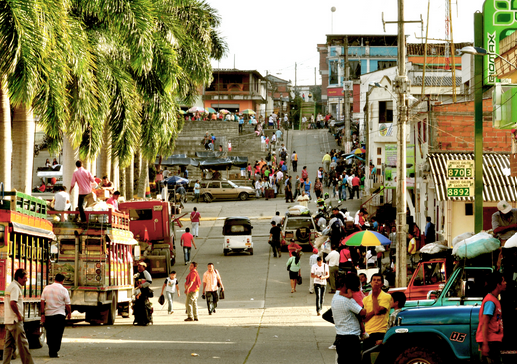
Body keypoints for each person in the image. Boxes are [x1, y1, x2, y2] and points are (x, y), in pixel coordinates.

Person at [331, 274, 366, 364]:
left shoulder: (336, 297)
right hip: (350, 339)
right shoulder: (347, 300)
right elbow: (362, 312)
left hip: (340, 337)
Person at [3, 269, 35, 364]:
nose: (26, 280)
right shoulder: (15, 288)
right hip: (15, 321)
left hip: (9, 320)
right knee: (23, 344)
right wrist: (19, 315)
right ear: (19, 278)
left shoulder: (11, 286)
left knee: (8, 345)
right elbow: (13, 303)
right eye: (25, 278)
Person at [476, 272, 506, 363]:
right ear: (498, 284)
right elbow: (485, 323)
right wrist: (485, 344)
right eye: (503, 281)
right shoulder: (490, 302)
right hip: (490, 341)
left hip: (492, 341)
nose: (505, 283)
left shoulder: (493, 300)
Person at [41, 273, 72, 358]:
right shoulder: (64, 290)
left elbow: (42, 301)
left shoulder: (46, 288)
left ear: (55, 279)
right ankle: (54, 351)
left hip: (48, 315)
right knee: (58, 334)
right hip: (60, 315)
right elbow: (67, 304)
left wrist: (42, 314)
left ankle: (51, 350)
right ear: (62, 281)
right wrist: (69, 313)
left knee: (50, 333)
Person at [363, 273, 392, 353]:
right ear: (370, 283)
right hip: (368, 333)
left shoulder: (386, 296)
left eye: (378, 280)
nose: (376, 282)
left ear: (382, 284)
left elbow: (379, 311)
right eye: (374, 280)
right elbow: (364, 318)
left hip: (380, 332)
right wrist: (374, 311)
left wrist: (375, 296)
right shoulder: (365, 299)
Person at [492, 200, 517, 269]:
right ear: (500, 212)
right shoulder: (495, 216)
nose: (508, 213)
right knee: (505, 256)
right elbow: (496, 230)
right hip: (504, 239)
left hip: (516, 237)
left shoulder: (515, 212)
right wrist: (512, 226)